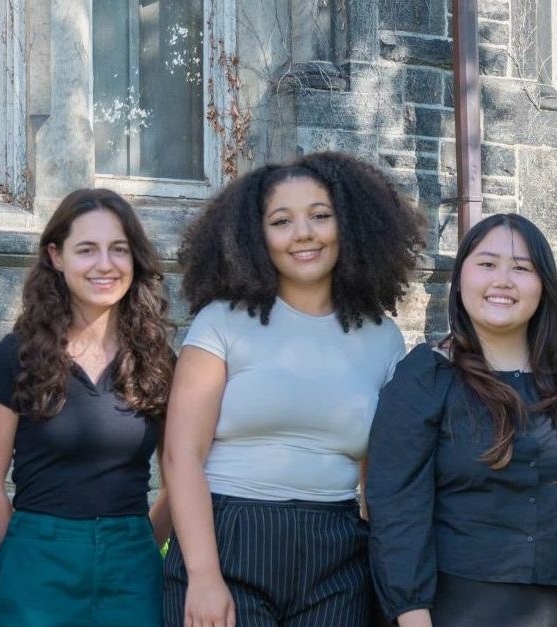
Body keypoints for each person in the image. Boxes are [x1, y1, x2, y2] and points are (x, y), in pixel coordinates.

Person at [161, 153, 426, 627]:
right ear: (254, 236)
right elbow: (182, 455)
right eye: (281, 221)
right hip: (227, 540)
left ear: (352, 225)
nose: (304, 233)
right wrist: (203, 575)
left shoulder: (383, 337)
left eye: (321, 216)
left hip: (338, 556)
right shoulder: (222, 321)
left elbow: (378, 476)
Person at [367, 213, 557, 627]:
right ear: (460, 280)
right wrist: (411, 614)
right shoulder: (426, 377)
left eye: (522, 268)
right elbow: (398, 508)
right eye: (487, 264)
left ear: (544, 285)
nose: (503, 280)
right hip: (455, 607)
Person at [0, 189, 176, 625]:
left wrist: (138, 541)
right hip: (38, 563)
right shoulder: (18, 355)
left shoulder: (156, 360)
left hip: (132, 567)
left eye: (119, 249)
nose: (105, 264)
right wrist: (23, 555)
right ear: (56, 256)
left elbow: (182, 473)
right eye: (87, 250)